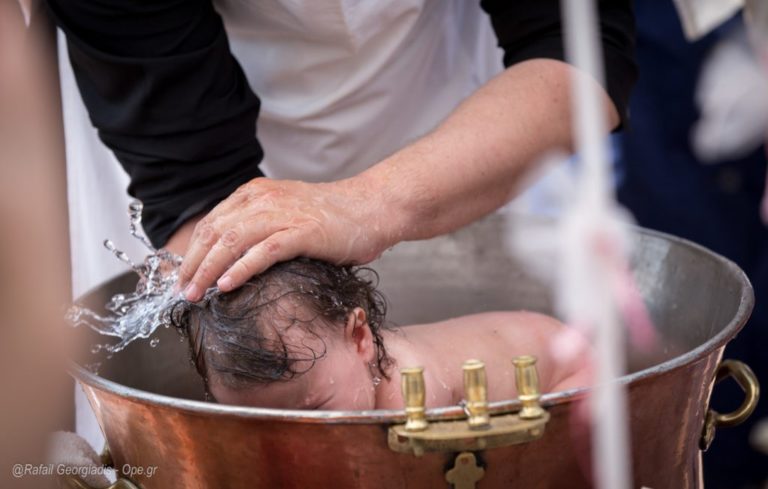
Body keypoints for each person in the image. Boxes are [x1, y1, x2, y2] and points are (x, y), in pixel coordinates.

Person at [45, 0, 638, 305]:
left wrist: (369, 205)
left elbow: (581, 52)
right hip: (173, 135)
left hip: (459, 114)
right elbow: (193, 183)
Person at [170, 258, 591, 410]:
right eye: (256, 423)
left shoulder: (414, 391)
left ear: (360, 339)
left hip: (571, 369)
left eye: (316, 411)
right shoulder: (337, 371)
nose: (291, 435)